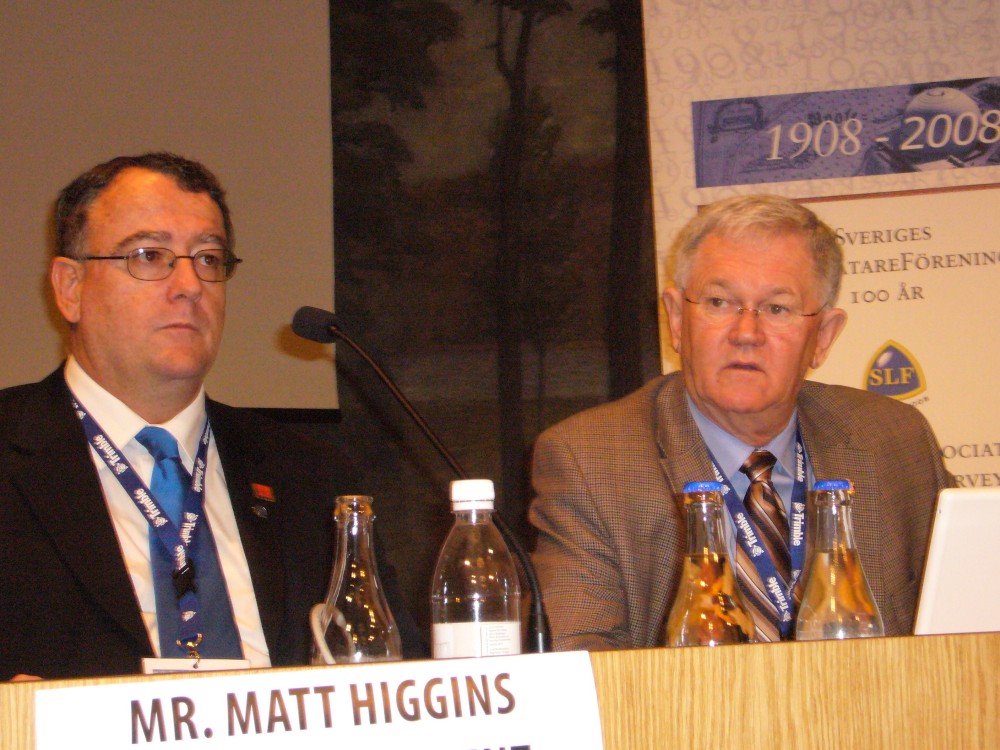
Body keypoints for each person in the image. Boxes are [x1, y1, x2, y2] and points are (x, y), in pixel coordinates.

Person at [0, 153, 422, 680]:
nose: (190, 285)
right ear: (70, 288)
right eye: (149, 255)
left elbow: (393, 674)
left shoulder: (310, 476)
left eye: (208, 259)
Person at [529, 194, 953, 651]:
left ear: (823, 337)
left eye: (777, 309)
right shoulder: (590, 462)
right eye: (719, 302)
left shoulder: (896, 442)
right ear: (676, 319)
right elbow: (579, 664)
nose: (746, 334)